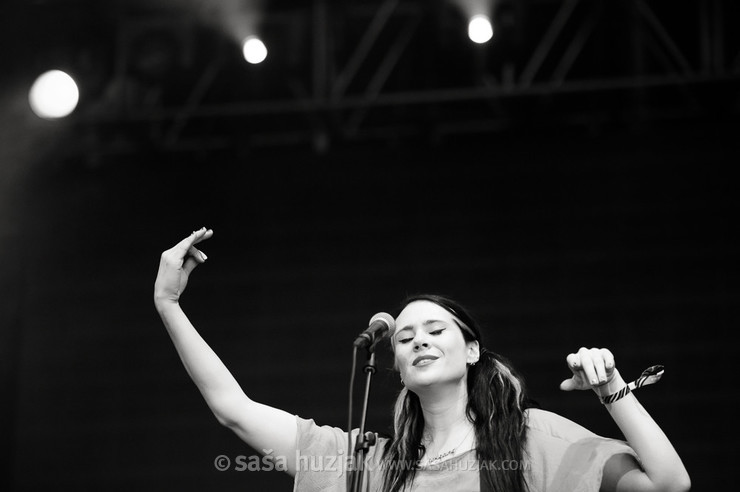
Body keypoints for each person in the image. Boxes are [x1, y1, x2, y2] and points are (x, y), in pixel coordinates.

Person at [154, 228, 691, 492]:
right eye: (405, 337)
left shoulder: (532, 440)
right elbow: (232, 408)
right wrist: (169, 304)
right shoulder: (365, 463)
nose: (419, 341)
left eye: (437, 330)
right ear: (397, 366)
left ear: (472, 350)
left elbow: (670, 485)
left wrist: (613, 390)